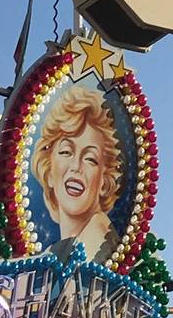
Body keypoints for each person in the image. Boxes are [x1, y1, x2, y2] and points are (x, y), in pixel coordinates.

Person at [31, 86, 122, 260]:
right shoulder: (54, 256)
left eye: (90, 159)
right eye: (66, 152)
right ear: (48, 170)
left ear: (104, 181)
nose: (76, 166)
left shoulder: (107, 253)